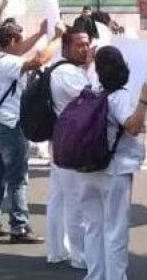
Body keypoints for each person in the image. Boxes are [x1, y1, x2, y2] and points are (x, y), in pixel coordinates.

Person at [0, 20, 62, 244]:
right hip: (11, 126)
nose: (22, 44)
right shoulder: (7, 63)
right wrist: (57, 39)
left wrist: (40, 33)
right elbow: (38, 60)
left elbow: (22, 52)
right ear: (13, 40)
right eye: (20, 39)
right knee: (18, 180)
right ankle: (19, 226)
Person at [79, 46, 147, 280]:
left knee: (93, 227)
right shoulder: (119, 96)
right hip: (115, 168)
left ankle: (95, 275)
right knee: (115, 230)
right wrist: (144, 99)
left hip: (88, 167)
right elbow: (131, 126)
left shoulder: (91, 90)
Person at [47, 26, 93, 269]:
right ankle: (80, 255)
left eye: (87, 44)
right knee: (75, 199)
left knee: (60, 196)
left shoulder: (66, 69)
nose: (85, 48)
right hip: (72, 142)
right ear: (66, 47)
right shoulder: (67, 73)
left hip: (62, 140)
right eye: (79, 45)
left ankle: (56, 249)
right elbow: (90, 100)